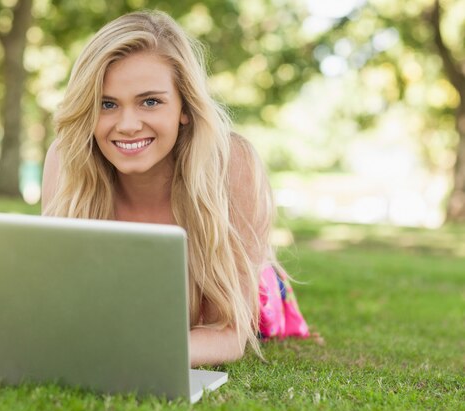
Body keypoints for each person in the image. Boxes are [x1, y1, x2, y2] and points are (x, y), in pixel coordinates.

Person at [41, 10, 310, 367]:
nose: (127, 125)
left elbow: (228, 331)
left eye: (150, 101)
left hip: (253, 291)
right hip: (137, 323)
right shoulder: (68, 158)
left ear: (184, 106)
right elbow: (58, 309)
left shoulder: (233, 166)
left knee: (264, 292)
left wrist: (129, 355)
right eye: (107, 104)